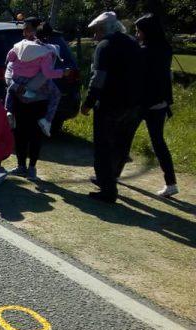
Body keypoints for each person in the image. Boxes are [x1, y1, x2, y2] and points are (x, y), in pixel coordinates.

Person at [81, 11, 144, 203]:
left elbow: (98, 78)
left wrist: (88, 103)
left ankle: (107, 190)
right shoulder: (132, 43)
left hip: (110, 103)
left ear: (103, 29)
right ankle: (110, 178)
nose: (94, 36)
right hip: (133, 103)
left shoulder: (105, 46)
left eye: (96, 31)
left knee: (103, 147)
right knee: (121, 145)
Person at [133, 13, 178, 197]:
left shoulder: (145, 51)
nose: (137, 35)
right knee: (159, 143)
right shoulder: (165, 49)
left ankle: (111, 175)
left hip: (143, 103)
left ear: (147, 32)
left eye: (138, 31)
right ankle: (171, 183)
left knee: (124, 137)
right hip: (160, 103)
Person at [4, 22, 68, 137]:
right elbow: (47, 73)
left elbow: (10, 57)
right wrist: (62, 73)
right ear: (49, 36)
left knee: (10, 90)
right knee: (56, 94)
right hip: (32, 82)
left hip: (17, 78)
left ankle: (8, 111)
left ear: (35, 33)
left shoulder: (20, 45)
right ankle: (47, 121)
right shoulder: (46, 52)